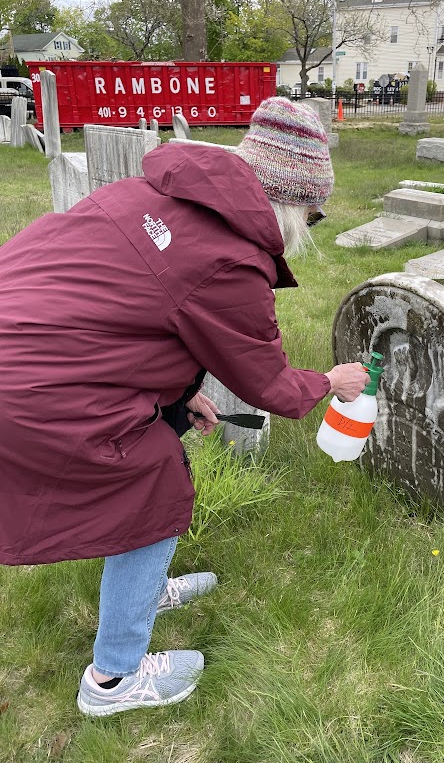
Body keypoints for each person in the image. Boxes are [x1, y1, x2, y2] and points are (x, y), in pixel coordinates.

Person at [0, 97, 370, 717]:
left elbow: (125, 317)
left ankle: (141, 592)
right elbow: (268, 384)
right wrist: (332, 380)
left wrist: (177, 395)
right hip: (37, 385)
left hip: (33, 355)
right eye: (314, 213)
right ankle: (113, 680)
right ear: (289, 202)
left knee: (155, 458)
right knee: (151, 488)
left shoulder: (144, 194)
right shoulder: (228, 262)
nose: (312, 226)